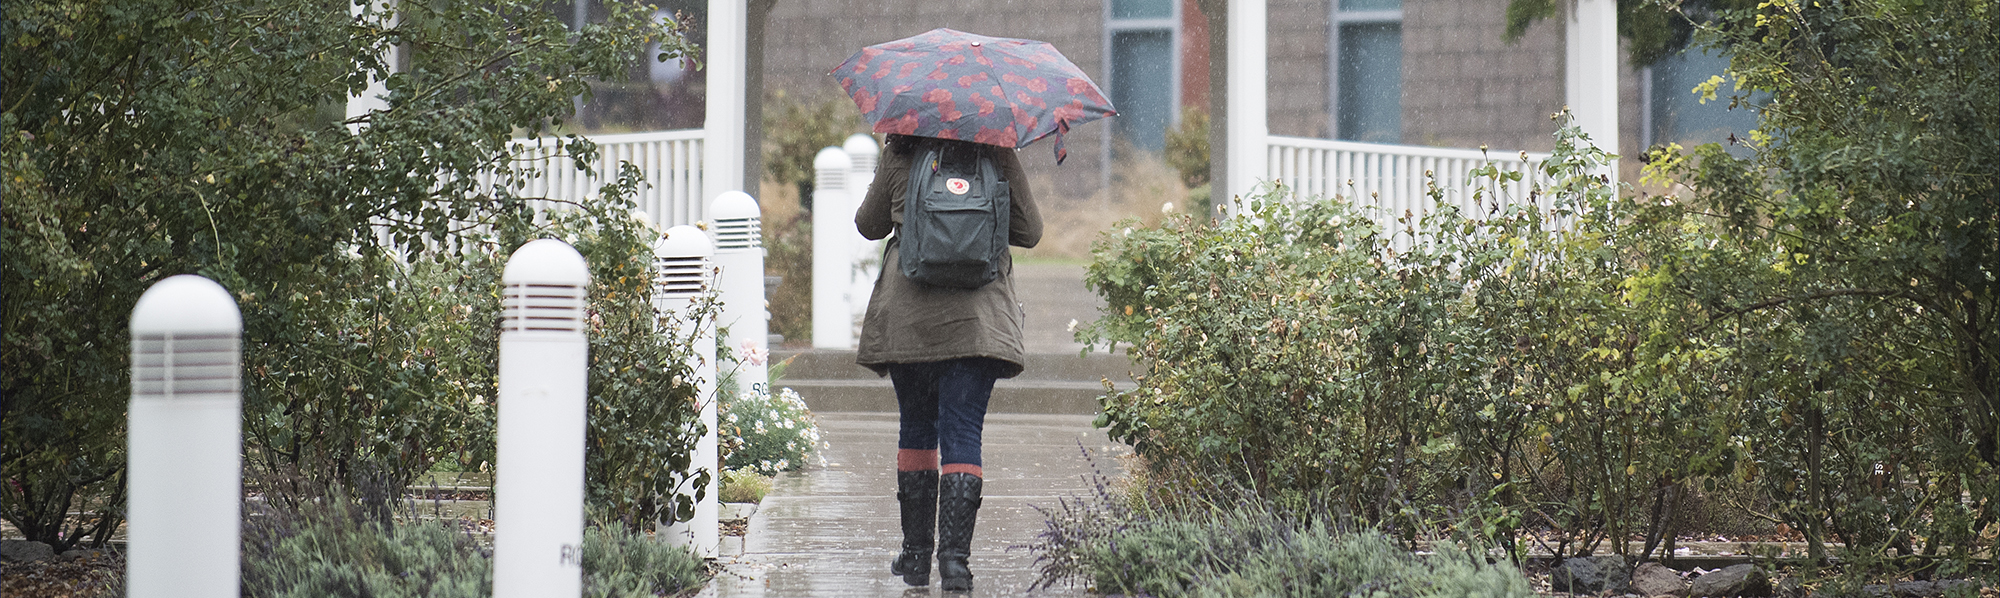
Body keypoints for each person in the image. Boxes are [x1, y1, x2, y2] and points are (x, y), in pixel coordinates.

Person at [853, 133, 1042, 591]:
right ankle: (955, 564)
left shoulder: (901, 150)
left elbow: (869, 224)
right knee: (963, 432)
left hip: (910, 319)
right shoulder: (997, 152)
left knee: (916, 426)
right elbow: (1030, 232)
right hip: (978, 321)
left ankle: (916, 558)